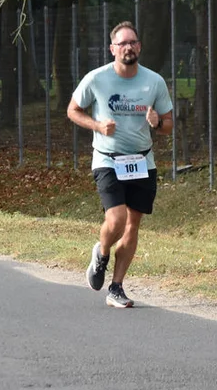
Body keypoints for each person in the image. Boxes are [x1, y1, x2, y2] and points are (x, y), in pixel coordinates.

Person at [67, 21, 173, 308]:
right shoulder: (97, 78)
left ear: (139, 47)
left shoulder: (154, 81)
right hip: (108, 160)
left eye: (133, 42)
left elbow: (168, 126)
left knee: (133, 225)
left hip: (142, 161)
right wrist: (98, 126)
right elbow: (73, 110)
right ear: (112, 48)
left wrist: (158, 122)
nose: (128, 47)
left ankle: (116, 288)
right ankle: (101, 253)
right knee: (117, 220)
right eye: (122, 43)